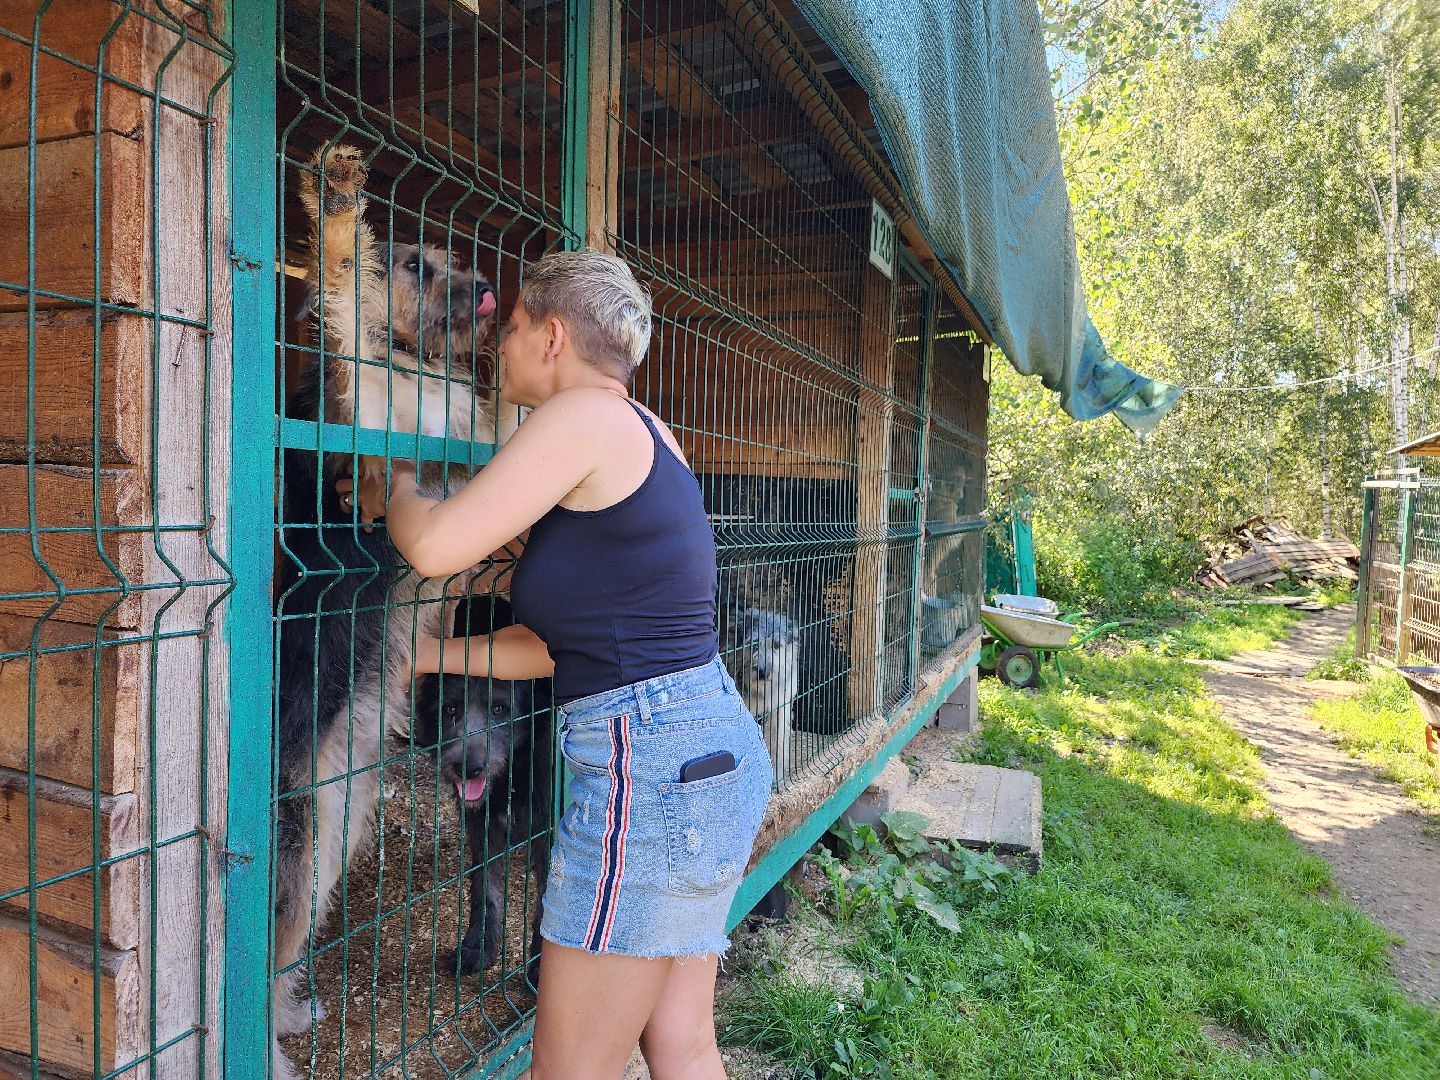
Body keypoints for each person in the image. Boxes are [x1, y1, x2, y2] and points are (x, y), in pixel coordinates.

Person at [341, 249, 774, 1080]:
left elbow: (431, 546)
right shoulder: (644, 432)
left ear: (551, 335)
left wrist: (392, 477)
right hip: (707, 755)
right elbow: (556, 647)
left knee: (567, 1070)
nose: (495, 347)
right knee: (680, 1045)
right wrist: (428, 653)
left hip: (647, 773)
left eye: (507, 330)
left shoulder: (580, 420)